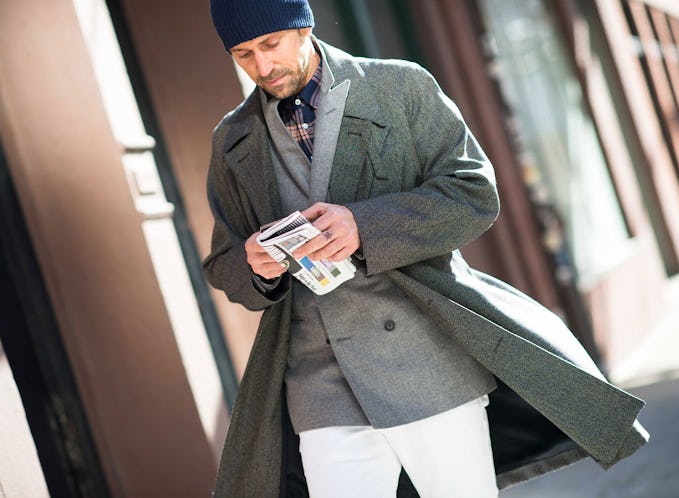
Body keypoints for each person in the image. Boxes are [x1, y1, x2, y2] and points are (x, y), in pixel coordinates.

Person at [203, 1, 648, 497]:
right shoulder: (231, 139)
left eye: (270, 45)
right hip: (318, 380)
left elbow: (473, 193)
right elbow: (222, 264)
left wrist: (365, 226)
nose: (261, 67)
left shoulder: (399, 86)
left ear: (303, 27)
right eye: (243, 54)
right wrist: (255, 265)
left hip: (425, 358)